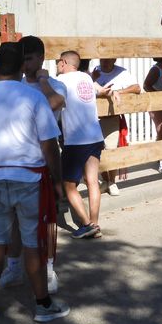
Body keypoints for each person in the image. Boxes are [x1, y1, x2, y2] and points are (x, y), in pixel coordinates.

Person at [0, 42, 69, 323]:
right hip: (30, 177)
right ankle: (42, 305)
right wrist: (57, 180)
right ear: (22, 66)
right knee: (32, 243)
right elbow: (49, 146)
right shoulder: (34, 97)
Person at [0, 35, 67, 295]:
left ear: (41, 58)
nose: (25, 64)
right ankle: (14, 267)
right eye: (22, 59)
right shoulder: (14, 84)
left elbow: (54, 103)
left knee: (47, 218)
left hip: (44, 159)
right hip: (17, 160)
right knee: (14, 219)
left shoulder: (54, 85)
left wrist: (43, 81)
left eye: (29, 58)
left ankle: (48, 268)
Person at [56, 51, 105, 239]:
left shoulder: (61, 81)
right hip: (95, 136)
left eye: (58, 62)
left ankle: (86, 224)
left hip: (75, 140)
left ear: (63, 62)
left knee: (68, 185)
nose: (57, 66)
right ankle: (95, 223)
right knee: (92, 181)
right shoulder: (86, 78)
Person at [91, 59, 141, 196]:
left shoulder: (122, 72)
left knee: (111, 149)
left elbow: (137, 88)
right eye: (103, 59)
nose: (105, 62)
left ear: (114, 59)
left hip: (111, 116)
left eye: (108, 59)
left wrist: (118, 91)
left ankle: (112, 181)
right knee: (98, 149)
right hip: (94, 117)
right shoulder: (95, 70)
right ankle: (105, 180)